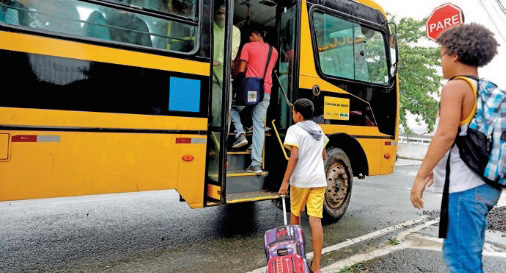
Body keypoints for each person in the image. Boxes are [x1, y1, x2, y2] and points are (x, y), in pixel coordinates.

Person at [410, 23, 502, 273]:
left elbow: (445, 135)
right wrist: (434, 168)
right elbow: (463, 138)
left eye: (441, 54)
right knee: (469, 253)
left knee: (461, 260)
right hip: (484, 185)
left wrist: (419, 176)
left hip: (465, 189)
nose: (440, 62)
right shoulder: (481, 88)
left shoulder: (455, 86)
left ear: (455, 54)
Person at [278, 98, 328, 273]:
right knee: (315, 220)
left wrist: (285, 182)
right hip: (319, 180)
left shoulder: (295, 129)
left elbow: (295, 156)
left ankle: (297, 259)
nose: (293, 115)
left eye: (293, 112)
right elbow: (323, 155)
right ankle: (317, 266)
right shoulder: (318, 129)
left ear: (298, 114)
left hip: (301, 181)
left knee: (295, 217)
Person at [230, 26, 278, 173]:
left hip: (251, 90)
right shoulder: (274, 51)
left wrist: (236, 79)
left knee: (232, 108)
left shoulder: (248, 46)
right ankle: (256, 164)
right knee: (259, 126)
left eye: (251, 36)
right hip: (266, 90)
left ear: (256, 34)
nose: (249, 38)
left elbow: (241, 69)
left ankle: (240, 133)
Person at [211, 0, 240, 126]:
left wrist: (218, 61)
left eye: (224, 14)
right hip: (207, 76)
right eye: (219, 13)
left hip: (223, 78)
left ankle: (218, 145)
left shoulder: (234, 31)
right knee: (211, 111)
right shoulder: (208, 27)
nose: (222, 16)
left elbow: (232, 52)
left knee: (223, 114)